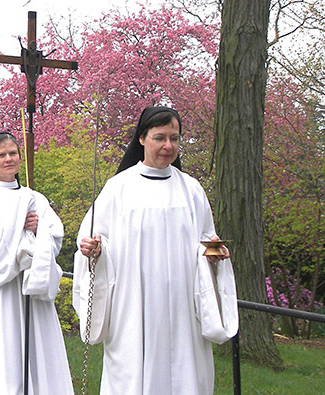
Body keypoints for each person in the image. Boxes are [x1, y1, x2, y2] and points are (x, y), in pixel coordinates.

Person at [73, 106, 238, 395]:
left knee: (185, 374)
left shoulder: (192, 190)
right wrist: (93, 249)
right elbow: (93, 240)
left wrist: (215, 254)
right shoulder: (118, 188)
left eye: (174, 138)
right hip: (133, 307)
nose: (168, 146)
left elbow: (206, 240)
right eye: (159, 137)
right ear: (142, 139)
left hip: (182, 307)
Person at [0, 131, 73, 394]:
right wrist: (18, 226)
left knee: (37, 352)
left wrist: (38, 231)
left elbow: (55, 235)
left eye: (13, 153)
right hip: (0, 291)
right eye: (1, 155)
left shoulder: (35, 198)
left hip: (31, 291)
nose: (8, 159)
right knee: (3, 355)